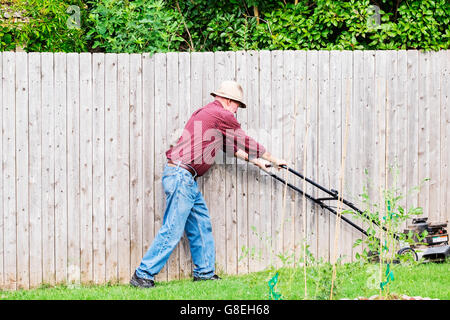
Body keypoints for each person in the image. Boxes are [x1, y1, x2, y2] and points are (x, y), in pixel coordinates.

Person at [130, 80, 287, 288]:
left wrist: (258, 162)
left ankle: (204, 272)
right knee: (172, 229)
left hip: (185, 177)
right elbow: (245, 140)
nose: (237, 111)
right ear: (230, 101)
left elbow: (229, 146)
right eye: (238, 106)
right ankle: (143, 274)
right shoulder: (222, 114)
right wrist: (275, 159)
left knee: (201, 223)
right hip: (181, 175)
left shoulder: (207, 114)